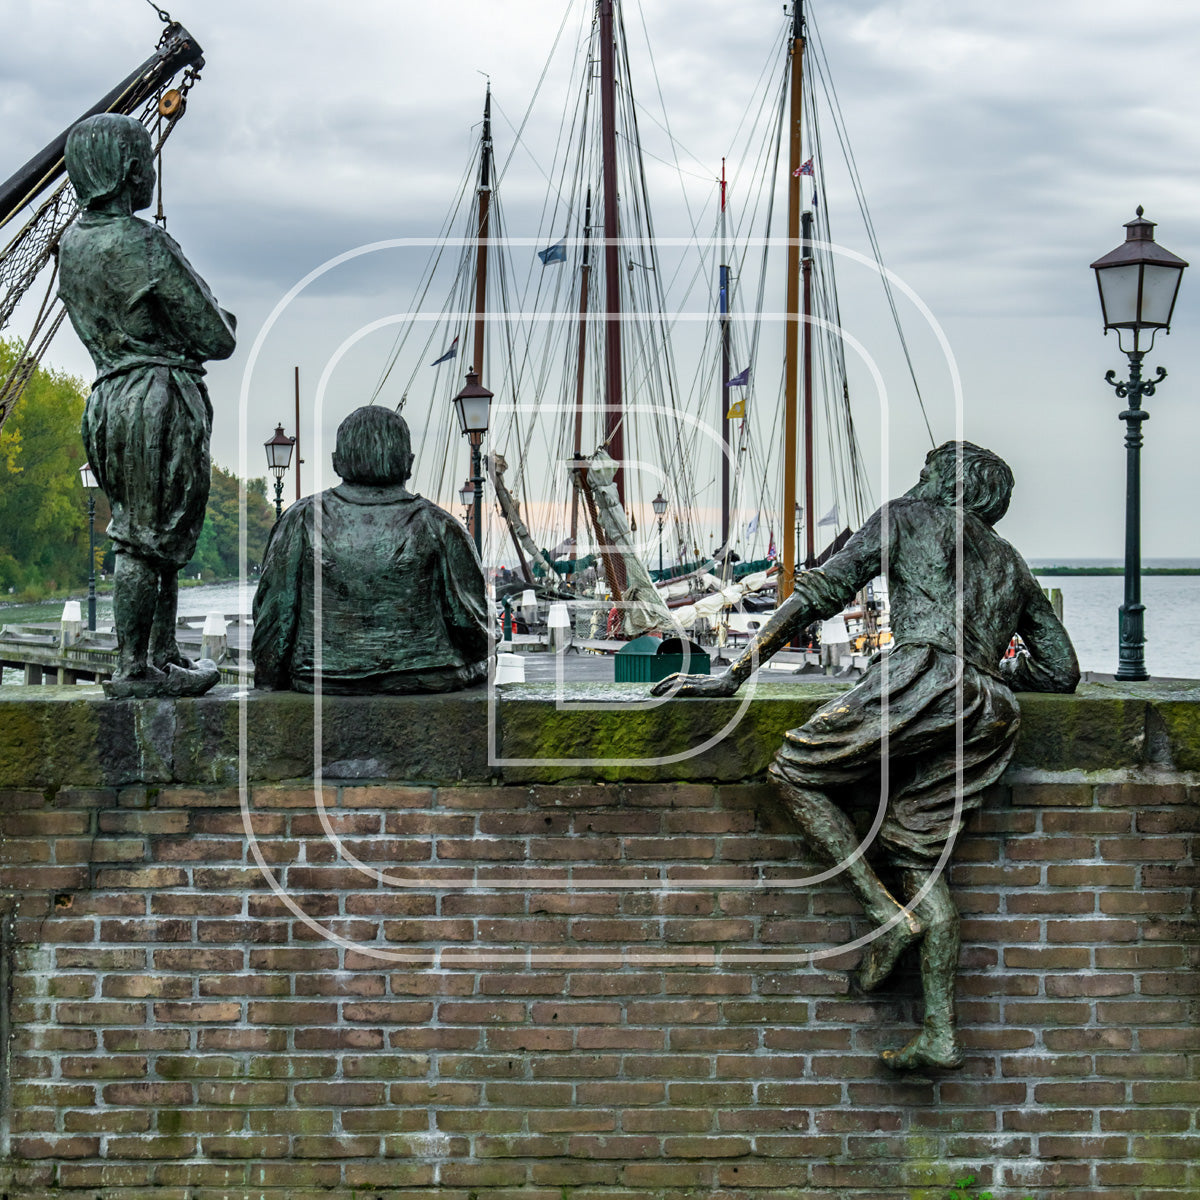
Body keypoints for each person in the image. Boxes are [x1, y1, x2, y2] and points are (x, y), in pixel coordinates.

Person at [653, 441, 1079, 1070]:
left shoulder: (906, 515)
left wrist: (732, 675)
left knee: (795, 771)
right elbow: (1062, 670)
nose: (920, 477)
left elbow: (822, 593)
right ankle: (941, 1032)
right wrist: (992, 671)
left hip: (920, 677)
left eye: (930, 469)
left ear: (951, 481)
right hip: (990, 708)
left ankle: (884, 912)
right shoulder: (1010, 562)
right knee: (918, 853)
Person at [58, 113, 237, 697]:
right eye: (149, 160)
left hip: (108, 396)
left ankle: (161, 654)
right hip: (155, 399)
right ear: (131, 170)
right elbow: (217, 336)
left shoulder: (72, 246)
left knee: (155, 533)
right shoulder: (144, 243)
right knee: (145, 535)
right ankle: (136, 665)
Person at [252, 405, 489, 693]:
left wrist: (269, 680)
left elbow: (275, 616)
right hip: (427, 675)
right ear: (409, 462)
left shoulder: (301, 518)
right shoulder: (441, 525)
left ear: (337, 461)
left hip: (321, 677)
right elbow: (472, 628)